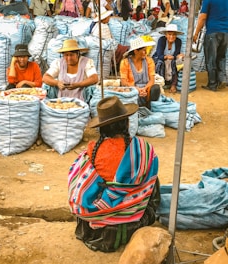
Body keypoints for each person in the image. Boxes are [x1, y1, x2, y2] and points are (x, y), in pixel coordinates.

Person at [68, 96, 160, 252]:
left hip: (95, 217)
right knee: (152, 176)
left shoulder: (91, 150)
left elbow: (77, 184)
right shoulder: (143, 149)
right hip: (132, 218)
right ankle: (129, 212)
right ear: (127, 122)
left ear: (102, 128)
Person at [193, 0, 228, 92]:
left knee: (211, 59)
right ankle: (222, 79)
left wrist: (196, 33)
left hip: (213, 32)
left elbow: (202, 17)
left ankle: (212, 84)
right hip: (225, 32)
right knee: (221, 57)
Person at [120, 36, 160, 108]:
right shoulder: (125, 62)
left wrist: (144, 89)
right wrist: (137, 89)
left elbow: (152, 80)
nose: (145, 52)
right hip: (132, 89)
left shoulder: (149, 61)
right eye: (143, 50)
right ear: (136, 51)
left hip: (146, 89)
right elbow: (124, 82)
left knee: (156, 88)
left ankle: (149, 107)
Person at [90, 7, 129, 73]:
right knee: (126, 50)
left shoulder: (97, 25)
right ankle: (120, 69)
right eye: (108, 17)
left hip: (102, 45)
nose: (109, 18)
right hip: (105, 47)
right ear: (104, 18)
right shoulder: (103, 27)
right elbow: (109, 42)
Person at [152, 24, 184, 93]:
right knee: (160, 63)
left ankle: (173, 84)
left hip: (172, 59)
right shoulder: (162, 40)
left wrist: (175, 57)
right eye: (169, 34)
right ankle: (161, 83)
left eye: (174, 35)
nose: (171, 36)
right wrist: (166, 57)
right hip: (160, 58)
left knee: (177, 62)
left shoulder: (178, 41)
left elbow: (176, 54)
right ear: (166, 35)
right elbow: (159, 54)